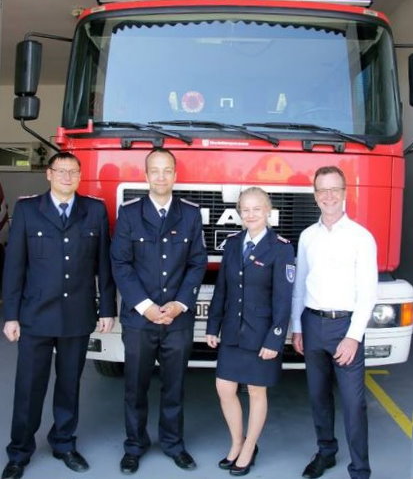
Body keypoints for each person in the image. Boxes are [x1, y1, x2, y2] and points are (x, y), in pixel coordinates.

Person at [1, 152, 116, 479]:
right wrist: (11, 315)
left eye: (73, 172)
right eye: (61, 171)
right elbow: (14, 268)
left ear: (80, 176)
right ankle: (20, 451)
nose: (67, 177)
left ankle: (64, 442)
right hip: (35, 314)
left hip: (77, 314)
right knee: (29, 386)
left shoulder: (93, 210)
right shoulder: (27, 210)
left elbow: (103, 266)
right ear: (48, 175)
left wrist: (107, 308)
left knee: (69, 385)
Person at [110, 147, 207, 475]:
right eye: (155, 170)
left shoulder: (191, 214)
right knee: (135, 386)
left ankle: (173, 444)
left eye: (168, 170)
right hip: (140, 319)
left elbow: (197, 263)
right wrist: (147, 307)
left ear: (175, 175)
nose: (162, 176)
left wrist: (179, 304)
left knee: (174, 385)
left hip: (178, 319)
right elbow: (120, 263)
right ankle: (134, 446)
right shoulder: (130, 213)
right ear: (146, 175)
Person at [291, 166, 378, 479]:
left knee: (354, 404)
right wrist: (298, 328)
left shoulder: (361, 238)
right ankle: (326, 452)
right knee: (317, 396)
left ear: (344, 193)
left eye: (334, 190)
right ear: (315, 196)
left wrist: (353, 337)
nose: (328, 196)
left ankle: (360, 469)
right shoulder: (307, 236)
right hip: (313, 325)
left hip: (346, 327)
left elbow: (368, 292)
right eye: (322, 190)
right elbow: (299, 285)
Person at [206, 187, 295, 477]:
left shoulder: (281, 248)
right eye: (246, 209)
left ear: (268, 211)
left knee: (257, 391)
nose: (251, 214)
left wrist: (275, 338)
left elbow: (284, 298)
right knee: (224, 388)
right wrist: (212, 326)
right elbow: (222, 289)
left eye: (257, 208)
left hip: (261, 334)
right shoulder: (232, 244)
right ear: (239, 212)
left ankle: (249, 447)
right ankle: (237, 441)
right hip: (232, 330)